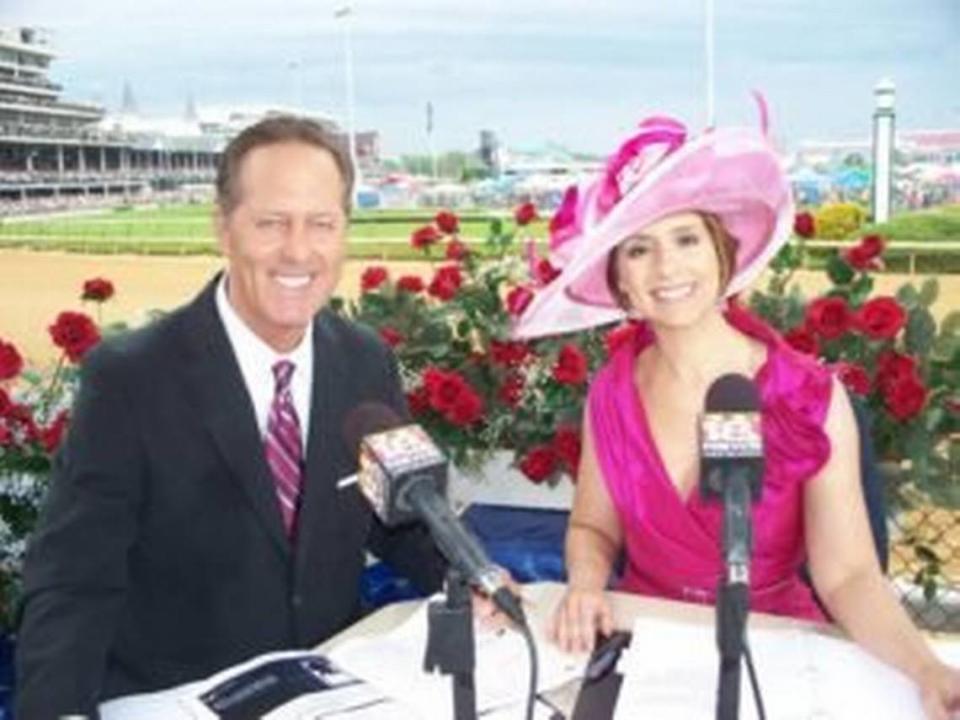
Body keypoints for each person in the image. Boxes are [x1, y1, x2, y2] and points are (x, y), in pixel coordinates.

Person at [512, 109, 960, 719]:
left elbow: (850, 574)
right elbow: (593, 528)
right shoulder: (609, 392)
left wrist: (927, 668)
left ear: (723, 253)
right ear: (620, 280)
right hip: (647, 650)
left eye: (686, 239)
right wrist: (587, 584)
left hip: (776, 656)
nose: (667, 269)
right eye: (639, 249)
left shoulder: (809, 396)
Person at [15, 115, 446, 718]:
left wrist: (475, 577)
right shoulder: (129, 378)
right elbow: (73, 581)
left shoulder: (366, 361)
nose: (299, 250)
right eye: (271, 223)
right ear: (224, 228)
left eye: (321, 223)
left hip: (331, 689)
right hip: (175, 698)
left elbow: (402, 515)